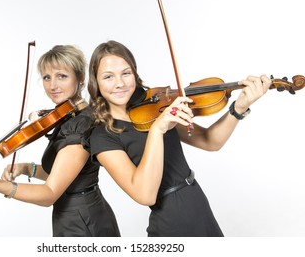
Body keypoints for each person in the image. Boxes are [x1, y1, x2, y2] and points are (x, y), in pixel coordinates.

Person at [87, 40, 271, 237]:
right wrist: (157, 131)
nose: (120, 83)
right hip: (172, 222)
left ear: (135, 73)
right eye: (108, 77)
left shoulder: (154, 106)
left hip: (198, 206)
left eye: (126, 73)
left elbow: (210, 141)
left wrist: (239, 108)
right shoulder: (103, 136)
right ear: (96, 83)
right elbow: (145, 194)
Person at [0, 44, 120, 237]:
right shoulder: (69, 117)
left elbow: (50, 193)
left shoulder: (81, 124)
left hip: (83, 222)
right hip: (79, 214)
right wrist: (26, 168)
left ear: (80, 78)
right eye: (46, 77)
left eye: (62, 76)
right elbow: (67, 175)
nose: (52, 85)